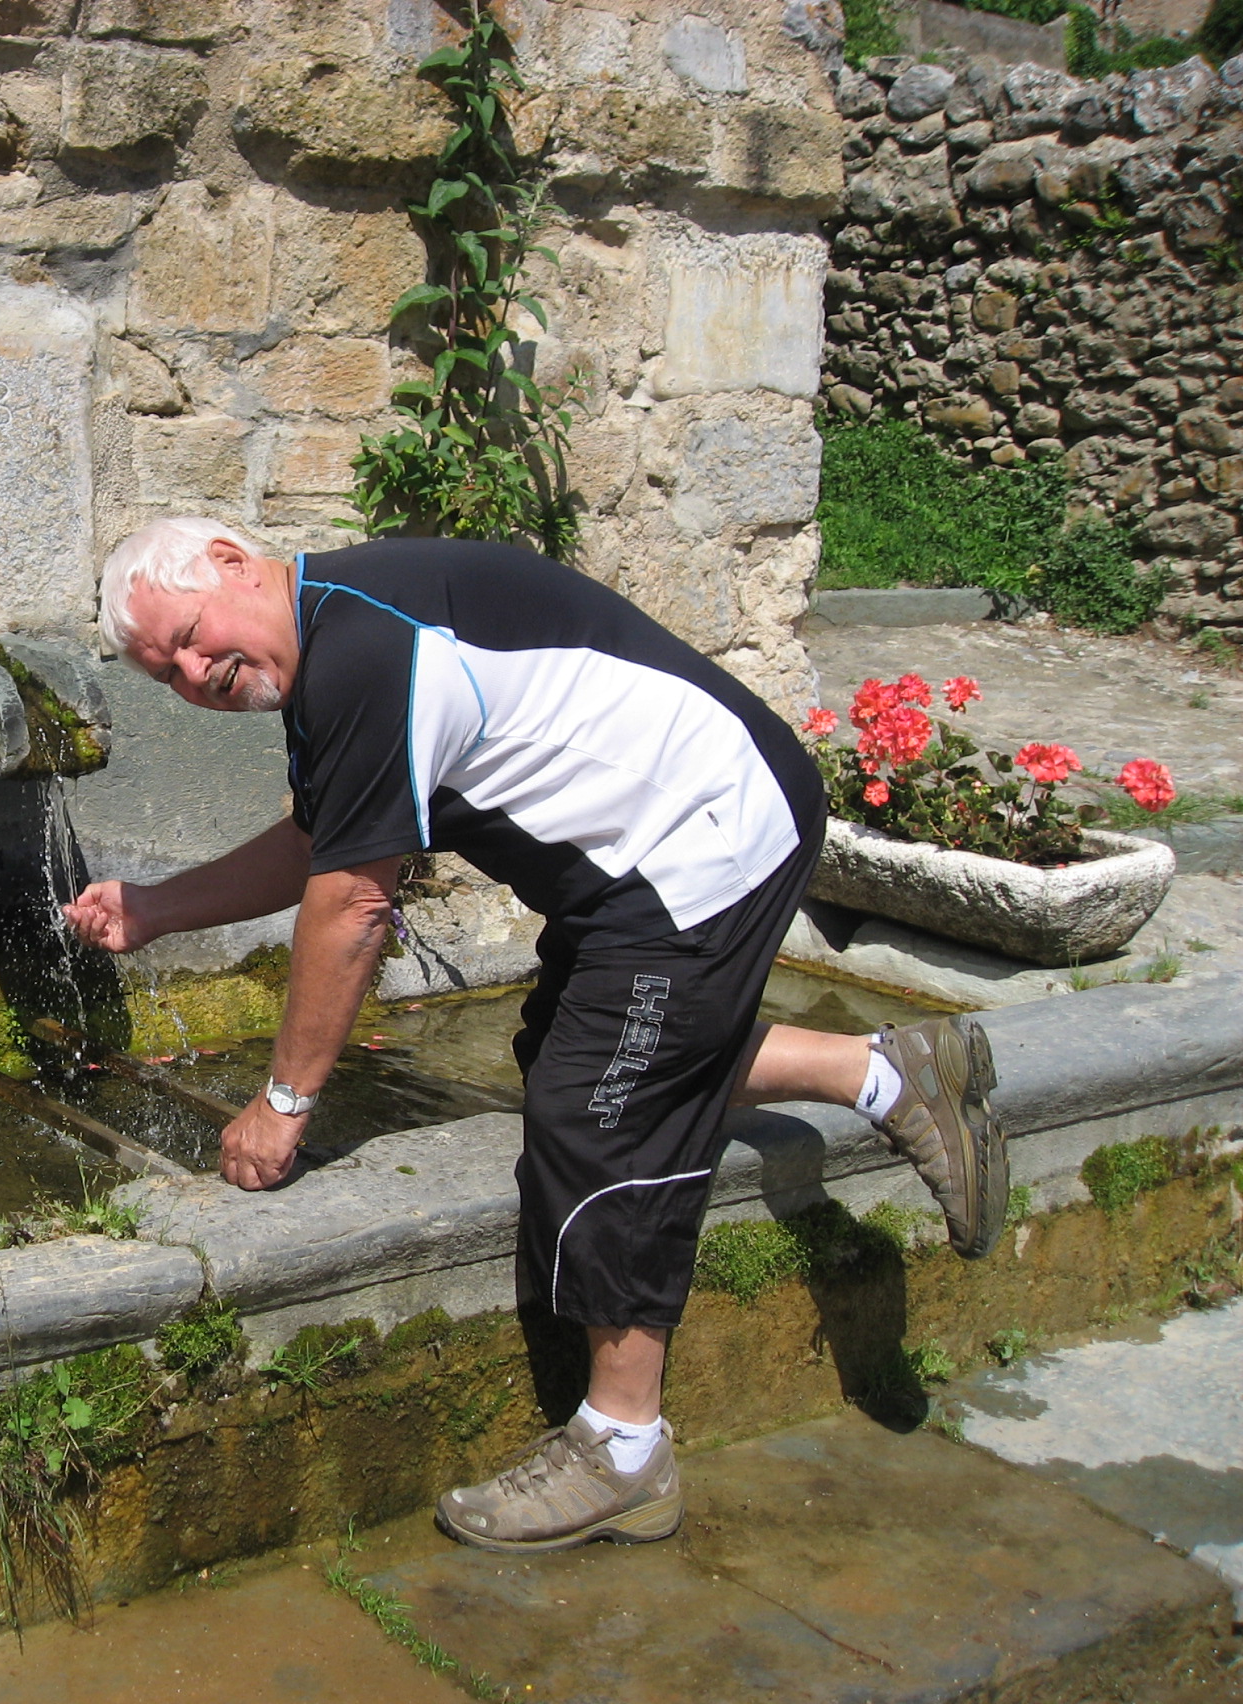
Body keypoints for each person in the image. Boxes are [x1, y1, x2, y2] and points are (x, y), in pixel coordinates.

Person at [62, 517, 1007, 1555]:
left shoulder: (364, 647)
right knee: (576, 1055)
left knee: (592, 1112)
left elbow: (350, 903)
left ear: (237, 564)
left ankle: (624, 1452)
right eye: (171, 674)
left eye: (193, 635)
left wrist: (283, 1104)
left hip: (701, 839)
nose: (198, 674)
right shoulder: (340, 633)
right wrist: (156, 907)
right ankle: (884, 1074)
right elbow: (323, 837)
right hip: (649, 858)